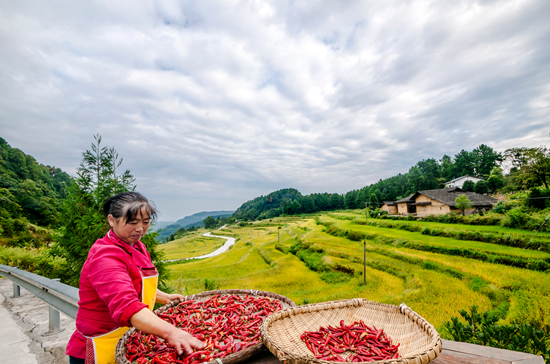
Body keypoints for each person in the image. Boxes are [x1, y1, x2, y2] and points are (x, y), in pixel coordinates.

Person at [66, 192, 205, 364]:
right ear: (112, 220)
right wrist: (172, 332)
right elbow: (127, 305)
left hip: (127, 340)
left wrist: (164, 297)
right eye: (132, 223)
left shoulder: (136, 245)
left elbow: (136, 284)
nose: (140, 229)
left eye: (145, 222)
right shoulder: (105, 257)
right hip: (101, 347)